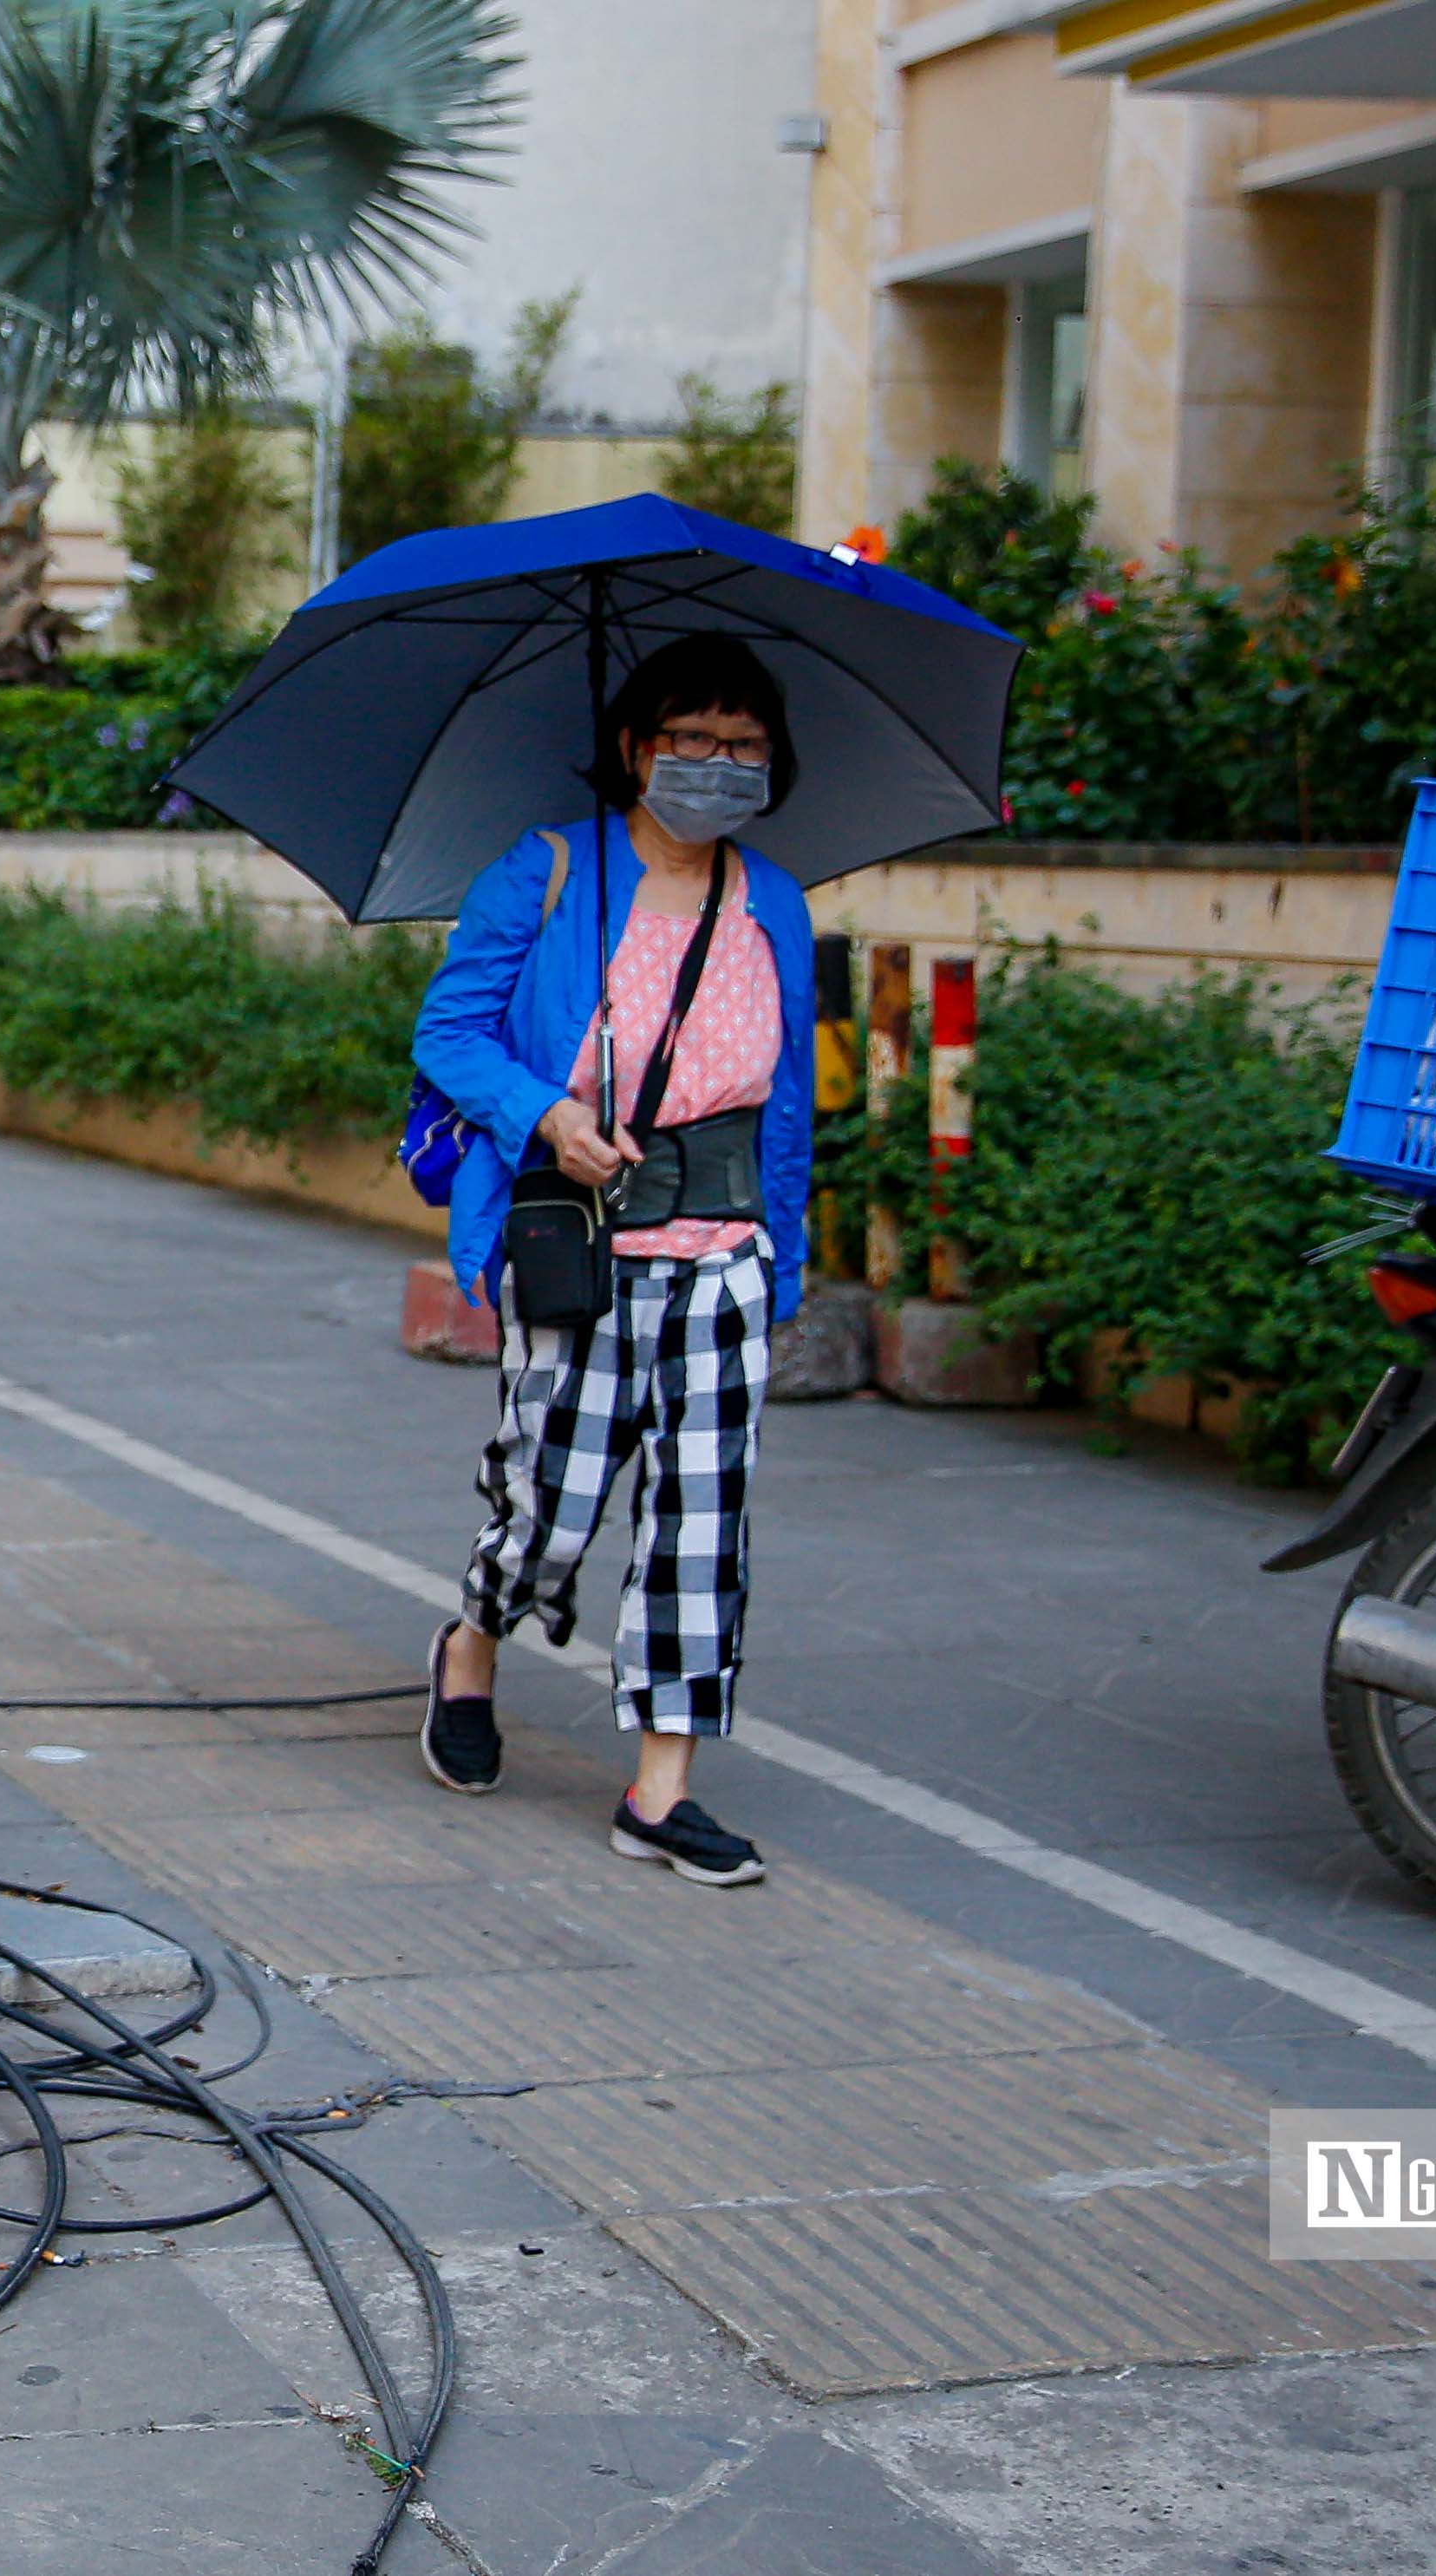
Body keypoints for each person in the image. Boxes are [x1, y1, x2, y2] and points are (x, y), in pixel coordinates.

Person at [408, 632, 820, 1886]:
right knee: (549, 1500)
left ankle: (660, 1787)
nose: (713, 764)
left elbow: (789, 1095)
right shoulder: (543, 873)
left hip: (722, 1245)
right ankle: (472, 1640)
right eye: (688, 739)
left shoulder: (774, 901)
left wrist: (783, 1259)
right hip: (578, 1234)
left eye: (740, 745)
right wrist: (545, 1114)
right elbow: (448, 1033)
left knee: (700, 1523)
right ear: (637, 748)